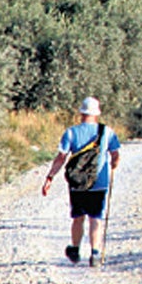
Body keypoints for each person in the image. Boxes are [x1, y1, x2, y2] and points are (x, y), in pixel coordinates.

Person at [41, 96, 121, 268]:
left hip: (77, 182)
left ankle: (75, 249)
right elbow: (115, 155)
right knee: (95, 218)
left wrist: (50, 177)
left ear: (81, 112)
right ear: (97, 113)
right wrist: (113, 164)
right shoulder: (107, 132)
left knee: (78, 218)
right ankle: (95, 254)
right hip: (99, 181)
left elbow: (61, 157)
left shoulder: (70, 133)